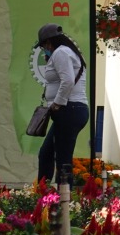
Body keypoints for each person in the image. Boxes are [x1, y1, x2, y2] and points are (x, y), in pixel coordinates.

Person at [35, 23, 89, 185]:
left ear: (50, 41)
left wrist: (57, 103)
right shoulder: (63, 53)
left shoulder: (61, 53)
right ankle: (44, 192)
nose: (44, 48)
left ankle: (64, 199)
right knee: (46, 153)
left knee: (63, 158)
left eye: (44, 45)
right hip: (70, 111)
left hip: (70, 109)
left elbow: (68, 80)